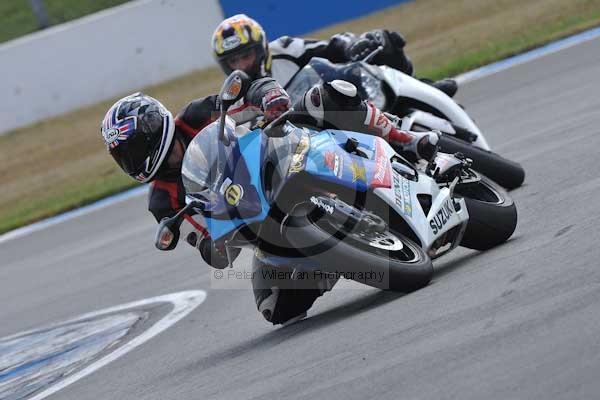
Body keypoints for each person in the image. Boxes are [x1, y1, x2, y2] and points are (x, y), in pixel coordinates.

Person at [101, 77, 438, 325]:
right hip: (261, 222)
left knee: (324, 97)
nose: (133, 161)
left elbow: (251, 90)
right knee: (275, 309)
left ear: (152, 127)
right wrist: (212, 248)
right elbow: (206, 240)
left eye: (133, 149)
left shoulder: (198, 114)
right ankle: (343, 256)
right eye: (123, 157)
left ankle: (407, 140)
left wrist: (269, 96)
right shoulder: (162, 201)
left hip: (286, 155)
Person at [211, 14, 457, 97]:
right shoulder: (236, 94)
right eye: (233, 61)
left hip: (341, 106)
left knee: (384, 42)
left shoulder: (284, 49)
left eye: (246, 55)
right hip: (309, 149)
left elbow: (333, 46)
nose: (242, 64)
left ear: (261, 48)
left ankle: (426, 91)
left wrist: (352, 46)